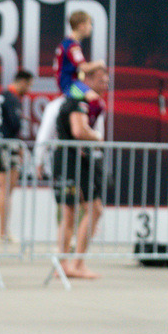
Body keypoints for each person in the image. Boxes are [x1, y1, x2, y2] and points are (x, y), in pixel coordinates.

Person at [54, 64, 110, 279]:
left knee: (81, 212)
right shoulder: (77, 100)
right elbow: (79, 131)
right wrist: (97, 138)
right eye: (101, 79)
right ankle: (71, 264)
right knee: (81, 211)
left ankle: (71, 263)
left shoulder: (82, 101)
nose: (105, 84)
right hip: (71, 160)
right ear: (88, 79)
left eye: (107, 80)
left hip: (75, 159)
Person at [0, 69, 33, 243]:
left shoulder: (1, 96)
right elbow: (14, 124)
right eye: (28, 85)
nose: (28, 89)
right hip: (7, 146)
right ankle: (2, 232)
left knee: (5, 189)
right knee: (7, 189)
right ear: (21, 81)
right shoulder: (12, 99)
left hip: (0, 144)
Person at [54, 11, 105, 103]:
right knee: (96, 102)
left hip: (70, 84)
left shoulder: (69, 43)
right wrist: (100, 63)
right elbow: (84, 68)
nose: (91, 28)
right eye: (89, 24)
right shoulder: (72, 47)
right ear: (82, 26)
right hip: (69, 85)